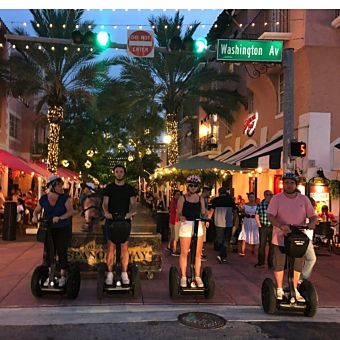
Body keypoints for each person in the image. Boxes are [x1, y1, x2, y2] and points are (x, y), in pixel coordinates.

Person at [267, 172, 317, 302]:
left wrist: (312, 223)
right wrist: (280, 225)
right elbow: (270, 216)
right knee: (280, 263)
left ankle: (294, 288)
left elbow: (313, 215)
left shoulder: (304, 199)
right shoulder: (276, 199)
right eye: (287, 183)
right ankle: (279, 289)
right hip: (280, 237)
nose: (289, 185)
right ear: (283, 184)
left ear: (296, 185)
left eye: (292, 183)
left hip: (298, 237)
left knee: (297, 265)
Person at [32, 175, 74, 287]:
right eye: (59, 185)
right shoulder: (44, 199)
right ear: (52, 186)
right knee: (49, 252)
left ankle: (63, 275)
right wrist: (35, 216)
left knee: (61, 251)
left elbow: (70, 212)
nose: (62, 187)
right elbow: (36, 210)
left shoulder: (65, 198)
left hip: (62, 228)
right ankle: (51, 274)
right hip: (48, 228)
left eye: (61, 185)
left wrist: (60, 217)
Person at [102, 164, 137, 286]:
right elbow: (105, 203)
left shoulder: (129, 189)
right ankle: (110, 273)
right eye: (117, 172)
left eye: (121, 172)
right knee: (111, 246)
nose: (119, 174)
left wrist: (131, 213)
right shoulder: (109, 188)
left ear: (124, 173)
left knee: (124, 247)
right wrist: (106, 212)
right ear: (114, 173)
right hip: (111, 220)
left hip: (124, 220)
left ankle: (124, 272)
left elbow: (133, 204)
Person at [177, 175, 207, 288]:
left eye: (195, 186)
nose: (193, 187)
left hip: (197, 225)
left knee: (198, 254)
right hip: (186, 225)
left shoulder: (200, 199)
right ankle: (184, 276)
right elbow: (179, 212)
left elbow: (203, 212)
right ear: (187, 186)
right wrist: (181, 217)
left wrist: (207, 216)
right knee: (184, 252)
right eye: (191, 185)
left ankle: (197, 276)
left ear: (198, 186)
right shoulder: (182, 198)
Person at [208, 187, 237, 264]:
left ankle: (222, 254)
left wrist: (208, 220)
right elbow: (235, 211)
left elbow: (211, 210)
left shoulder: (215, 200)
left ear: (219, 192)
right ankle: (222, 255)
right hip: (228, 222)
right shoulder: (231, 200)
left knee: (220, 238)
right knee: (226, 239)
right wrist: (235, 221)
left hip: (219, 222)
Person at [299, 197, 317, 284]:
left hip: (306, 238)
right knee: (310, 258)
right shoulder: (304, 212)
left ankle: (301, 278)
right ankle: (301, 279)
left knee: (306, 259)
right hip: (304, 238)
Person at [255, 190, 274, 268]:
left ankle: (271, 263)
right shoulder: (260, 204)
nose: (269, 196)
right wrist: (259, 225)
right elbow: (256, 215)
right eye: (268, 194)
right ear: (264, 195)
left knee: (272, 245)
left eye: (271, 195)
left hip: (272, 226)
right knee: (262, 245)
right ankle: (261, 262)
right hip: (263, 226)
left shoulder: (274, 205)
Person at [238, 192, 259, 256]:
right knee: (245, 234)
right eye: (250, 197)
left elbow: (258, 214)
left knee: (254, 234)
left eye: (253, 197)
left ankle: (253, 249)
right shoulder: (245, 205)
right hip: (247, 220)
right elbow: (242, 212)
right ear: (248, 198)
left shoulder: (257, 205)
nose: (252, 198)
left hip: (254, 221)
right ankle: (243, 251)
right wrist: (245, 214)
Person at [166, 189, 181, 256]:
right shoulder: (174, 201)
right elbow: (176, 211)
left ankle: (169, 246)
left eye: (179, 194)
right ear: (174, 195)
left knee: (173, 235)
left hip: (173, 220)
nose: (179, 196)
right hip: (174, 220)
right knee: (174, 236)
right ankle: (174, 250)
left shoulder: (174, 201)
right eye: (177, 194)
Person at [200, 186, 212, 260]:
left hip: (203, 219)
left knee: (202, 237)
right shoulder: (202, 199)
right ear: (205, 192)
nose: (209, 194)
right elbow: (203, 211)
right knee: (201, 237)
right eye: (209, 192)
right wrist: (209, 213)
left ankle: (200, 252)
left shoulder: (204, 199)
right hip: (202, 219)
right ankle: (199, 253)